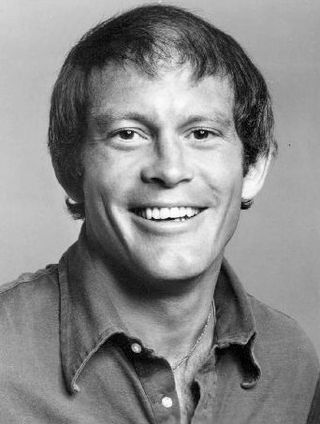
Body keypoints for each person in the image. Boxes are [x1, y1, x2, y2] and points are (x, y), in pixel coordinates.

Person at [0, 4, 318, 423]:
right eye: (127, 134)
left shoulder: (291, 362)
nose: (169, 170)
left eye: (201, 133)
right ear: (70, 172)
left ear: (253, 168)